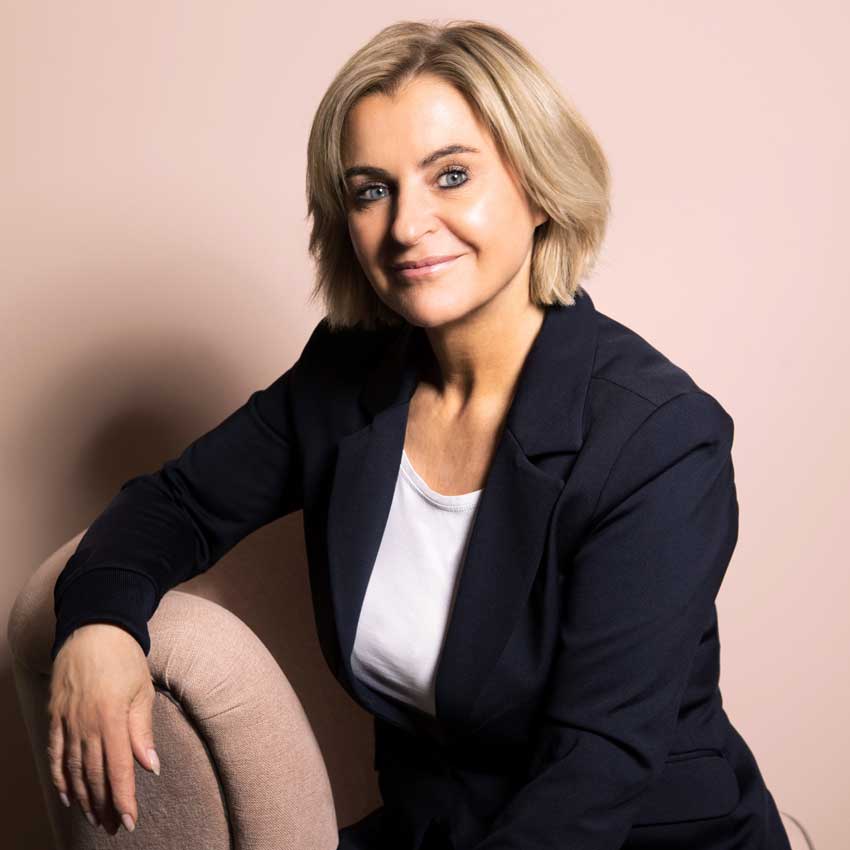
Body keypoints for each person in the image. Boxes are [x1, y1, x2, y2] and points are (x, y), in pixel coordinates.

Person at [47, 18, 793, 849]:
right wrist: (99, 625)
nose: (406, 225)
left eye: (452, 175)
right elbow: (175, 506)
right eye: (372, 190)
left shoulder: (660, 439)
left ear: (539, 187)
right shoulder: (347, 376)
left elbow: (596, 771)